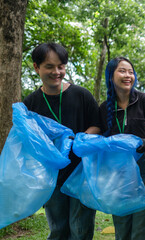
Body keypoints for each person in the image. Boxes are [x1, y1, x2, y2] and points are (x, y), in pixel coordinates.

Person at [23, 43, 100, 239]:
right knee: (58, 230)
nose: (56, 72)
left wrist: (78, 139)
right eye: (49, 66)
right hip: (50, 178)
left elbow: (97, 125)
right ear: (36, 67)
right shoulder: (31, 103)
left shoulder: (81, 95)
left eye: (61, 66)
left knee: (81, 230)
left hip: (81, 173)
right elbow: (28, 141)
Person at [99, 57, 145, 240]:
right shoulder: (105, 108)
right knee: (121, 225)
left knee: (142, 228)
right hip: (117, 171)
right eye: (122, 71)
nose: (128, 75)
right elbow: (99, 135)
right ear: (111, 77)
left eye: (130, 72)